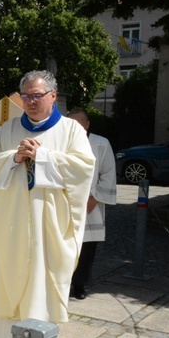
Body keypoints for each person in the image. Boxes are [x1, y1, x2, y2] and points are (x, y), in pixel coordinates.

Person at [0, 70, 95, 338]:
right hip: (9, 226)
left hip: (45, 228)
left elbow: (83, 169)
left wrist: (43, 157)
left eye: (37, 95)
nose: (30, 101)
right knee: (6, 283)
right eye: (25, 96)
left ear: (53, 95)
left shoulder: (70, 131)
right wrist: (13, 157)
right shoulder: (6, 129)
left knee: (39, 286)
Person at [67, 108, 117, 299]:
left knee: (86, 249)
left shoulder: (100, 143)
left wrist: (94, 198)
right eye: (71, 124)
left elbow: (108, 173)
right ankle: (62, 284)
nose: (75, 128)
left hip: (90, 205)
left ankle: (79, 285)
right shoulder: (61, 142)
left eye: (79, 123)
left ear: (87, 124)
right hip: (65, 203)